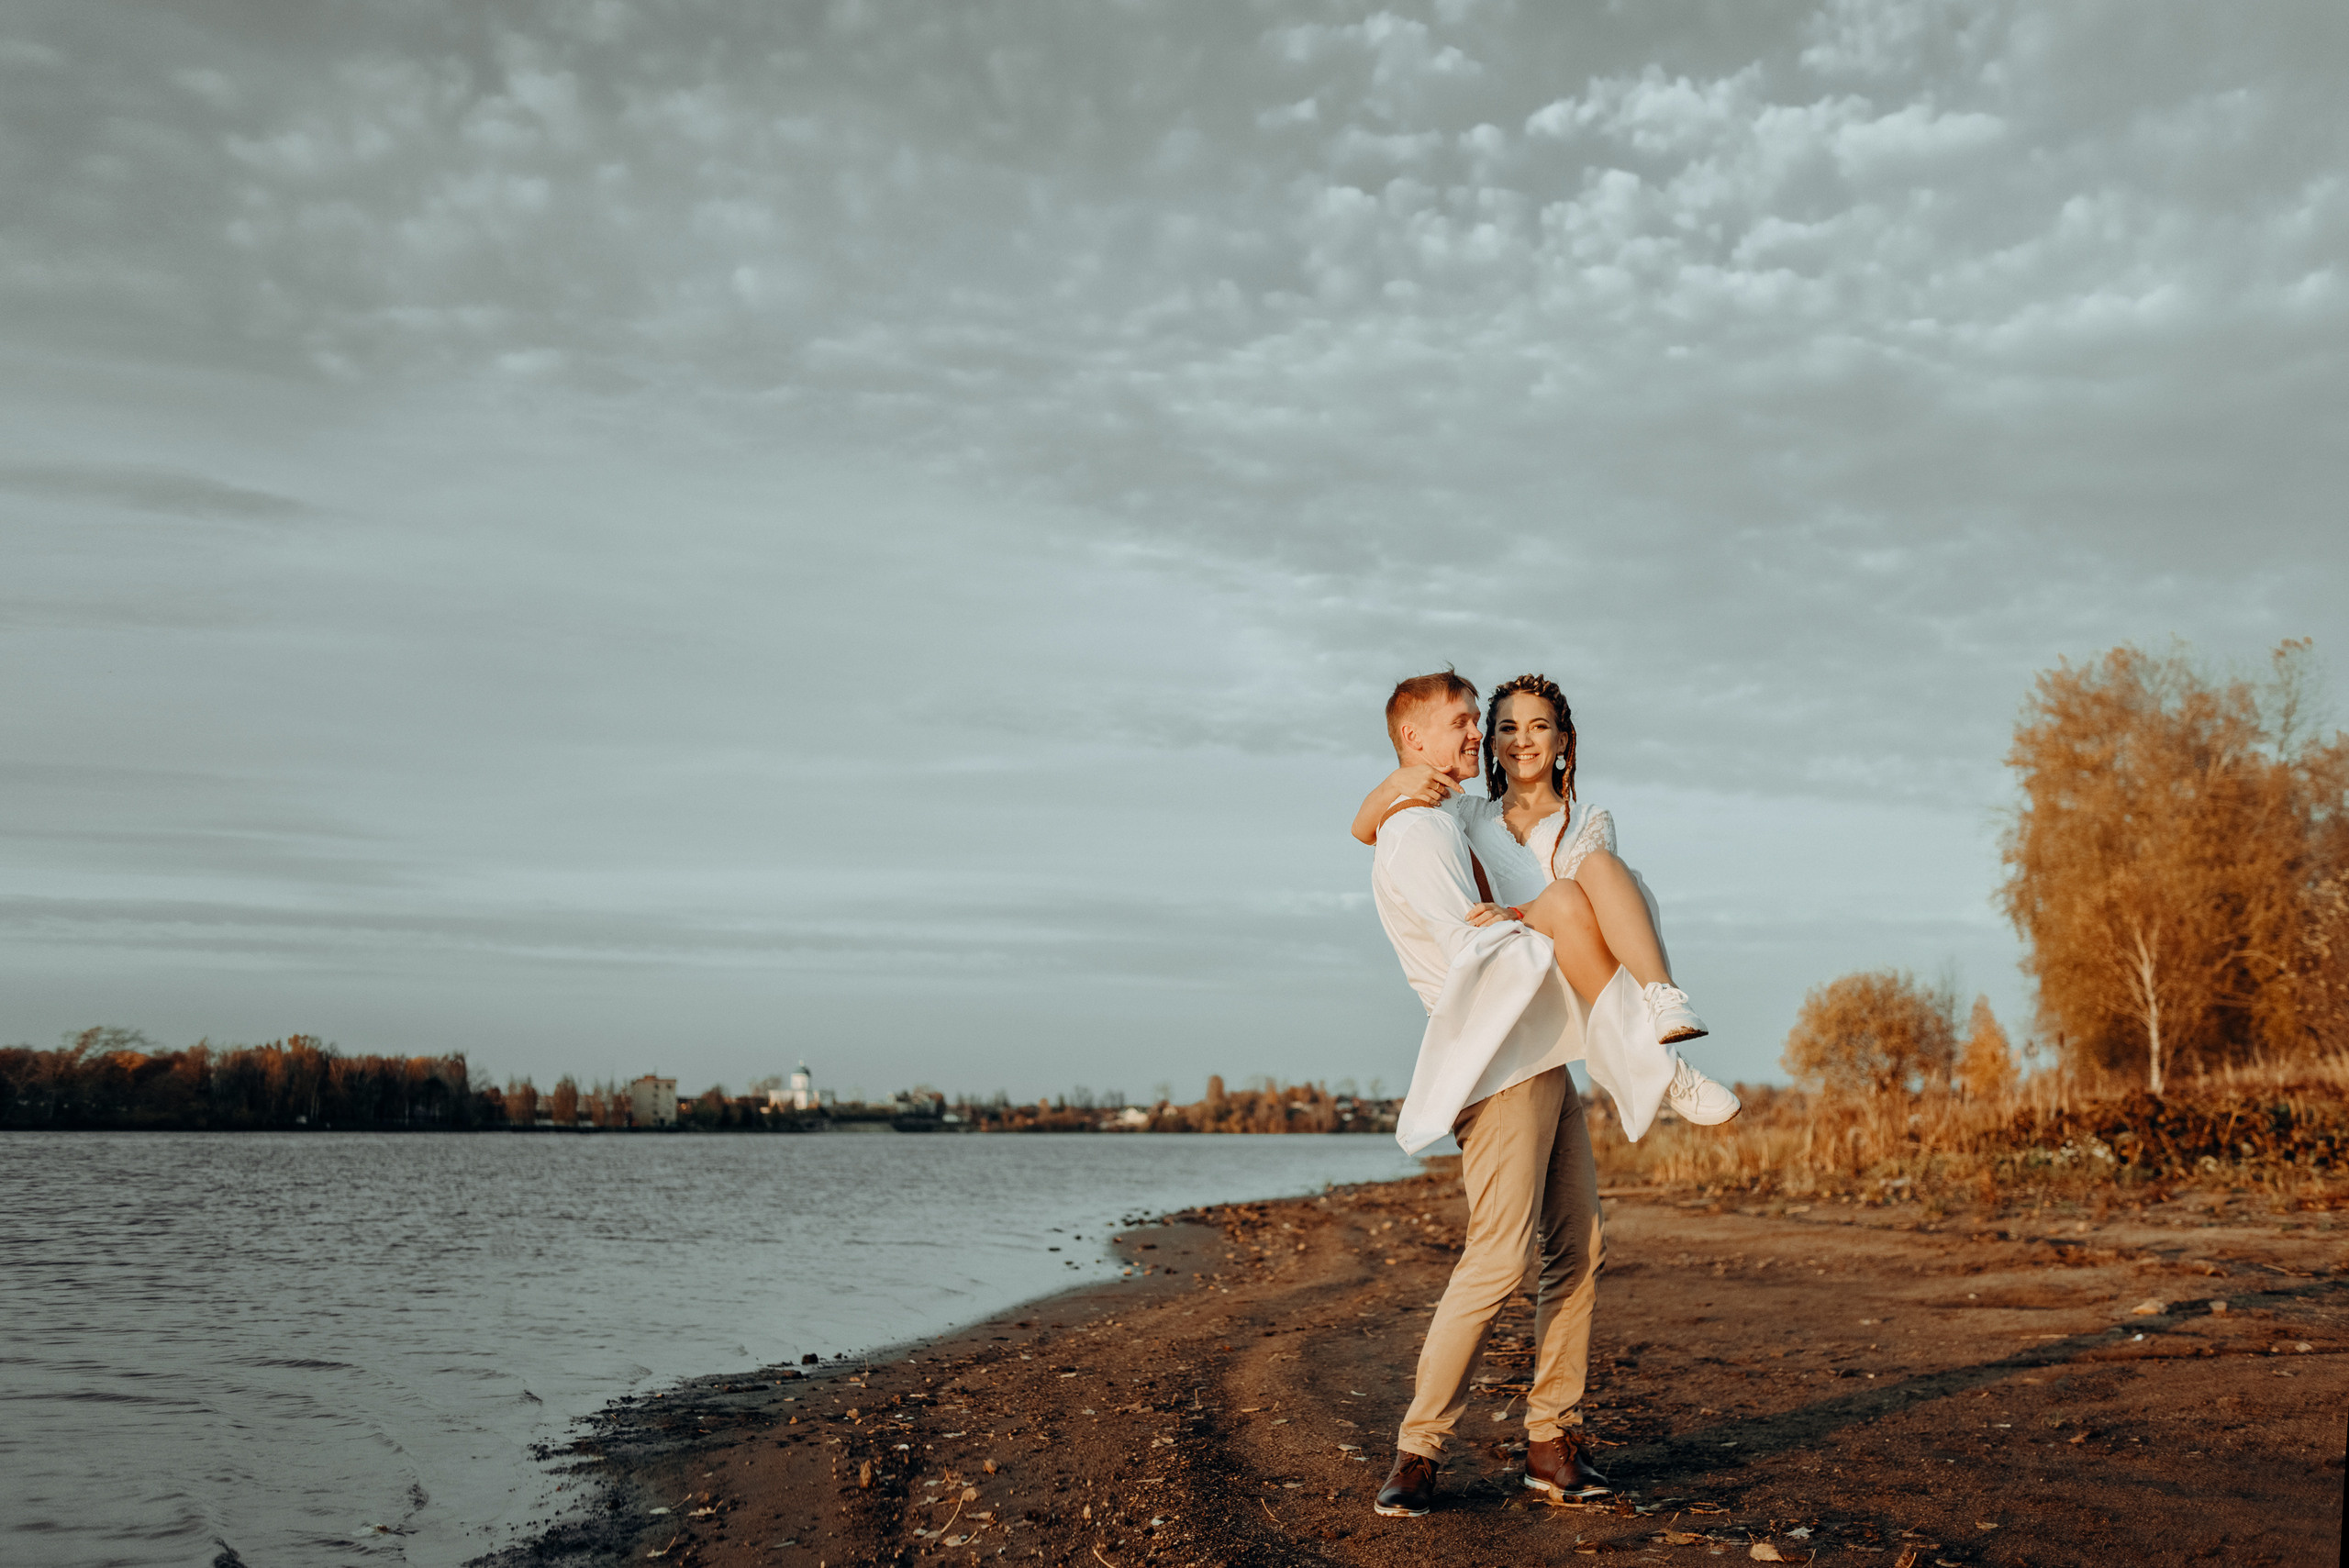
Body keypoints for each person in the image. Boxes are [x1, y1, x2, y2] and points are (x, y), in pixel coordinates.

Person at [1360, 671, 1735, 1522]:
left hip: (1546, 1055)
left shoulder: (1476, 816)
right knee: (1498, 1259)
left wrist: (1530, 913)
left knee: (1580, 1245)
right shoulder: (1427, 825)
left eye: (1483, 722)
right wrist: (1518, 917)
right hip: (1499, 1063)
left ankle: (1550, 1440)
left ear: (1564, 740)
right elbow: (1461, 944)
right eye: (1471, 723)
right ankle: (1417, 1451)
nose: (1481, 737)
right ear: (1417, 739)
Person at [1351, 672, 1742, 1139]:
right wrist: (1394, 781)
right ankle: (1666, 1068)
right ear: (1494, 744)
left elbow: (1589, 906)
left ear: (1562, 741)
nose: (1522, 740)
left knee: (1596, 869)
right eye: (1507, 728)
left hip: (1579, 956)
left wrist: (1518, 911)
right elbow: (1365, 829)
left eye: (1538, 726)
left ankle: (1664, 996)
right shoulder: (1469, 813)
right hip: (1516, 961)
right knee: (1563, 892)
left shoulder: (1589, 819)